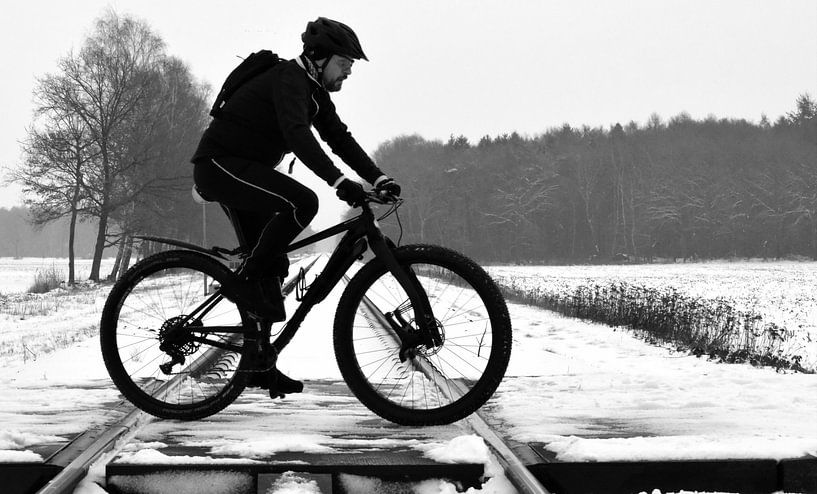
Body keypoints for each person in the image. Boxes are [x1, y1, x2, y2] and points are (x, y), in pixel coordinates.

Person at [190, 17, 401, 395]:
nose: (348, 72)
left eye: (351, 67)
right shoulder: (290, 80)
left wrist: (378, 177)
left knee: (271, 266)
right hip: (220, 167)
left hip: (245, 170)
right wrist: (338, 182)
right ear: (319, 57)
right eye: (344, 64)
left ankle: (259, 365)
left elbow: (340, 139)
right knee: (302, 202)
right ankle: (248, 284)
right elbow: (297, 136)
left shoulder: (315, 93)